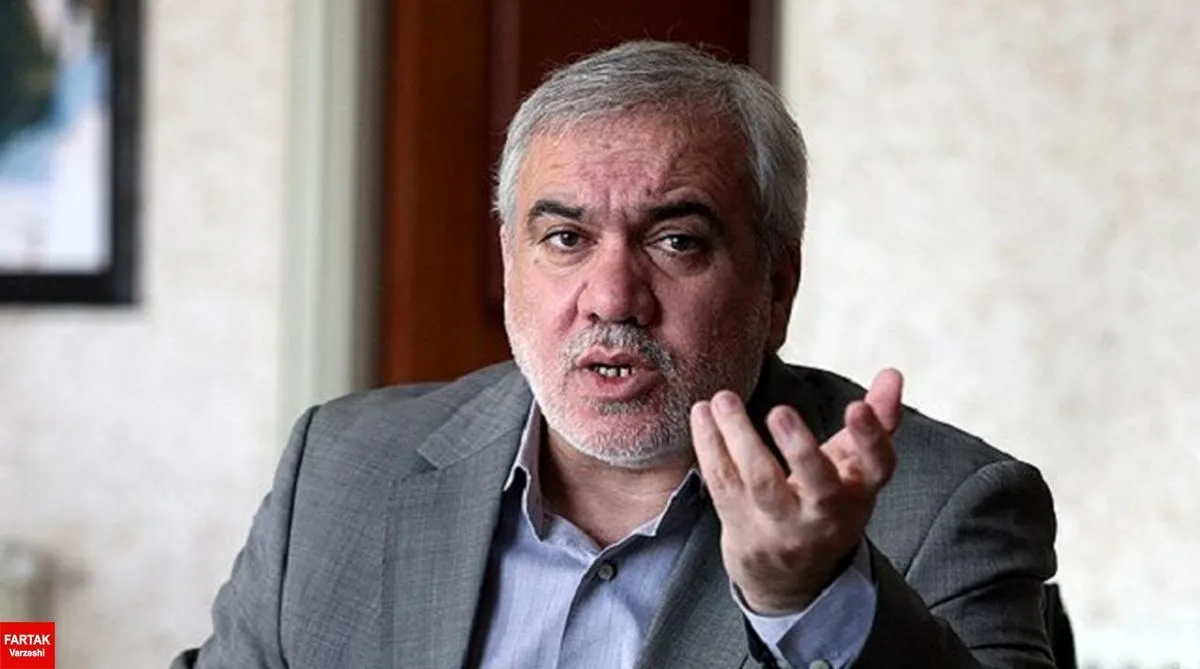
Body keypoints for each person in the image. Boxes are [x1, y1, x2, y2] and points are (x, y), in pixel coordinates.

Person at [172, 41, 1057, 668]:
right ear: (510, 263)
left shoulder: (945, 508)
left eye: (676, 241)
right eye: (565, 238)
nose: (611, 297)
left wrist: (813, 597)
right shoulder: (339, 467)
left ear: (777, 285)